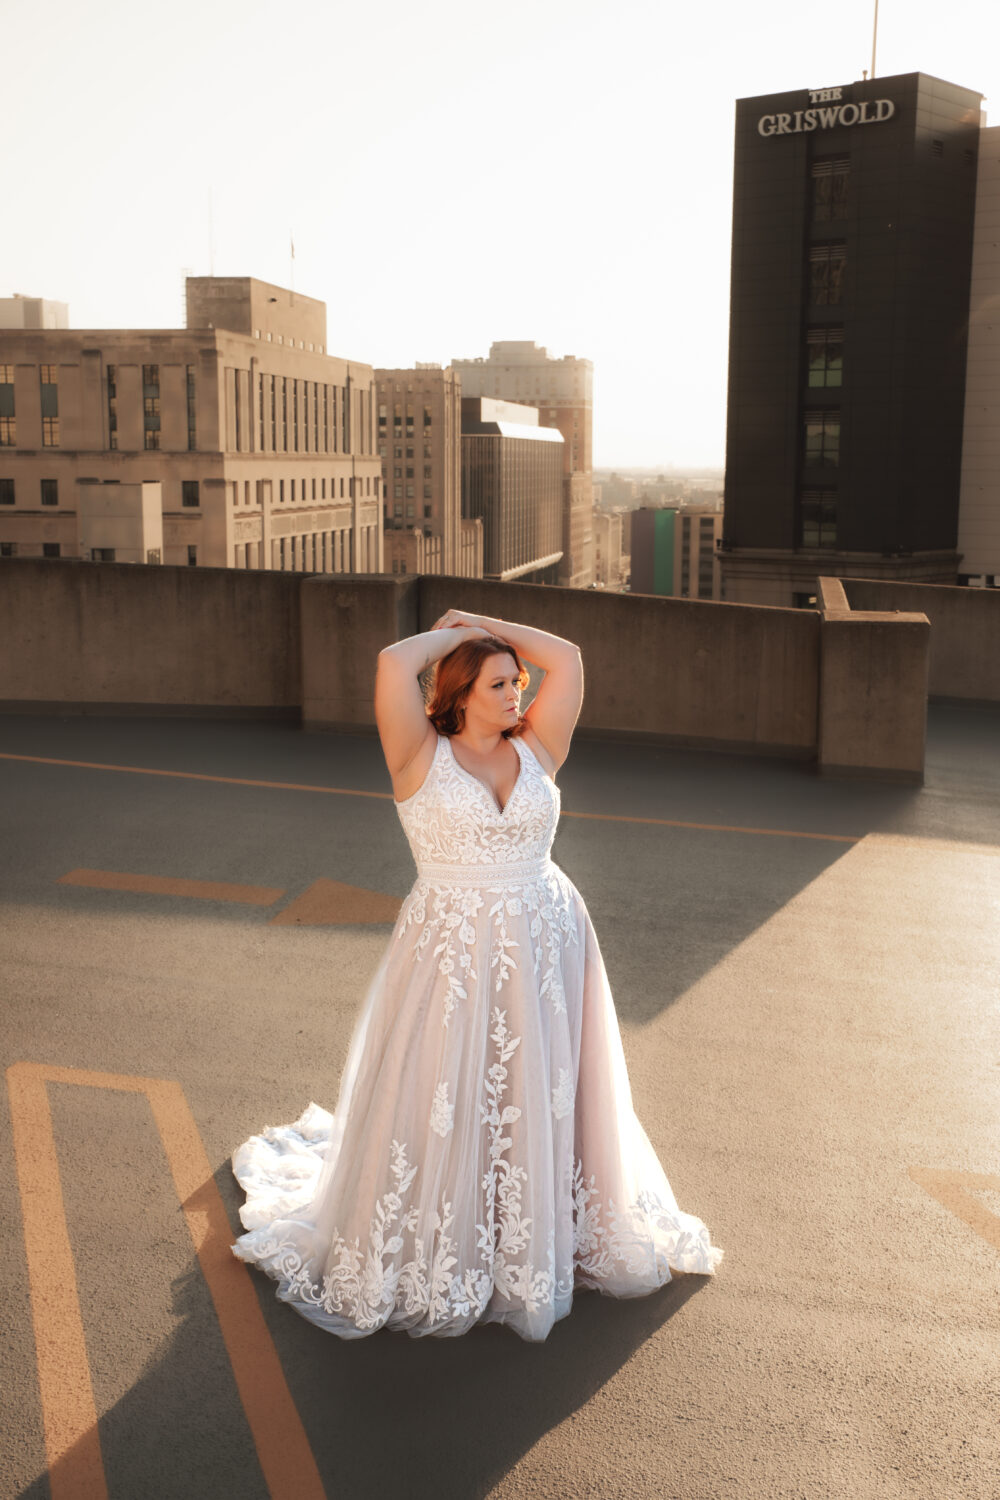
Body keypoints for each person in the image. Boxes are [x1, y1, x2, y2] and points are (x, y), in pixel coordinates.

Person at [231, 608, 722, 1341]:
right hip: (453, 949)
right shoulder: (416, 756)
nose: (517, 694)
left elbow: (571, 658)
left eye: (518, 683)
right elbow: (394, 665)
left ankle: (541, 1231)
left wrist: (486, 623)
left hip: (548, 936)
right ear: (460, 693)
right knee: (447, 1086)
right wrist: (454, 637)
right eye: (499, 684)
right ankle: (457, 1236)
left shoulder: (539, 748)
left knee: (541, 1084)